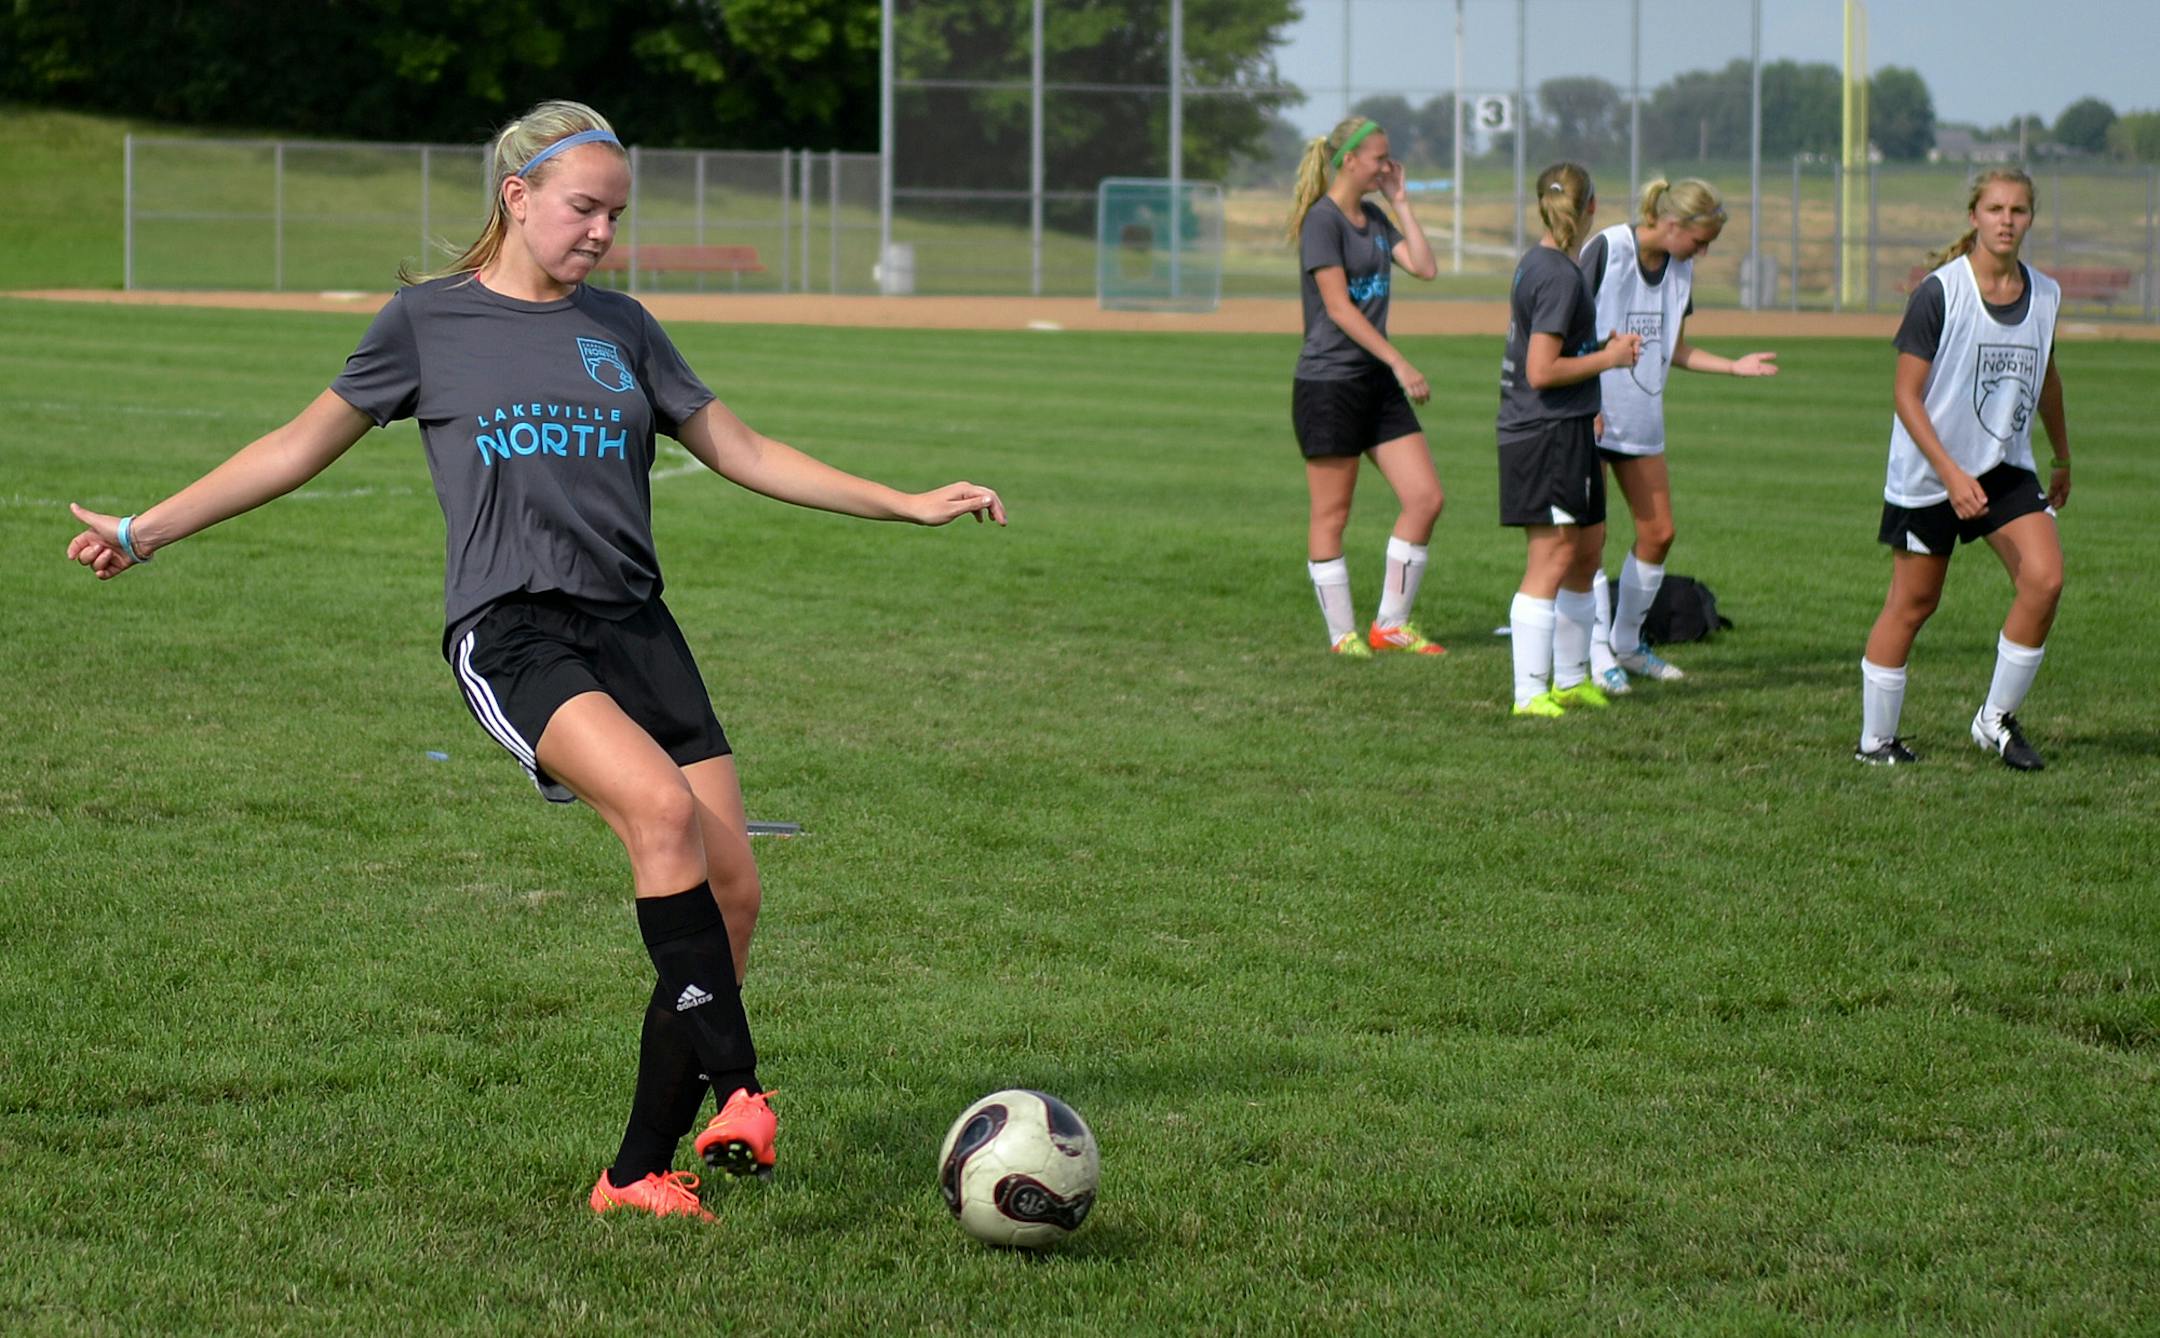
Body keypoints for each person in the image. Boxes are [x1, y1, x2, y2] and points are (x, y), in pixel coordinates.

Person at [63, 100, 1007, 1217]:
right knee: (660, 817)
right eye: (583, 207)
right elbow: (294, 446)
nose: (603, 231)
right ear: (516, 198)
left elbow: (740, 448)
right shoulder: (426, 321)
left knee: (734, 892)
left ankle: (636, 1173)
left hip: (638, 628)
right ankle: (741, 1085)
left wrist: (901, 502)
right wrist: (145, 528)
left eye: (616, 213)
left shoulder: (626, 327)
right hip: (513, 631)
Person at [1857, 167, 2067, 770]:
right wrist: (1950, 475)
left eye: (2019, 211)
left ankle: (1994, 720)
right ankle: (1876, 743)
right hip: (1929, 474)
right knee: (1914, 604)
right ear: (1974, 216)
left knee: (2045, 579)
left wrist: (2063, 454)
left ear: (2030, 218)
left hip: (2003, 467)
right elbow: (1905, 395)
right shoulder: (1940, 292)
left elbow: (2048, 379)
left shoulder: (2046, 294)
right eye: (1995, 208)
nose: (2007, 220)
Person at [1579, 177, 1779, 694]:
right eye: (1700, 240)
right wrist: (1586, 403)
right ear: (1671, 224)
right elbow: (1567, 329)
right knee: (1589, 542)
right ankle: (1597, 652)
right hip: (1589, 413)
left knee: (1659, 532)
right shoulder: (1607, 249)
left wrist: (1735, 367)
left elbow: (1673, 347)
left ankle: (1627, 645)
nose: (1704, 252)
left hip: (1641, 416)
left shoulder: (1680, 267)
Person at [1285, 115, 1446, 659]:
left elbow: (1426, 268)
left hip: (1374, 384)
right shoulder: (1322, 222)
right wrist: (1401, 362)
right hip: (1328, 385)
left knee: (1425, 498)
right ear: (1349, 160)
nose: (1388, 165)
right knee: (1332, 514)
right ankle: (1342, 635)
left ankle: (1390, 625)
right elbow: (1337, 308)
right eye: (1380, 158)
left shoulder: (1376, 216)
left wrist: (1401, 200)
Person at [1496, 162, 1641, 717]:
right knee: (1552, 557)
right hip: (1544, 431)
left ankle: (1573, 677)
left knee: (1585, 551)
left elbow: (1557, 348)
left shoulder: (1548, 264)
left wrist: (1599, 346)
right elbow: (1540, 369)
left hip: (1570, 426)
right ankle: (1530, 694)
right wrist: (1609, 358)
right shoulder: (1557, 272)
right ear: (1593, 209)